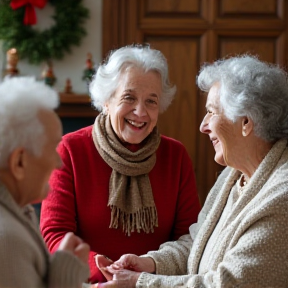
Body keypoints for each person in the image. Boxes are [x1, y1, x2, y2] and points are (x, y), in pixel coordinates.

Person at [101, 55, 288, 287]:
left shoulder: (281, 198)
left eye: (211, 112)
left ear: (246, 122)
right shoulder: (233, 175)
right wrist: (150, 263)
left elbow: (229, 283)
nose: (203, 126)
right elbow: (196, 242)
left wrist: (141, 283)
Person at [40, 44, 201, 284]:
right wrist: (103, 269)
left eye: (151, 101)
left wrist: (142, 276)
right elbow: (54, 235)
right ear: (106, 100)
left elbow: (190, 238)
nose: (140, 111)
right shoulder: (70, 150)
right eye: (129, 97)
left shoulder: (175, 156)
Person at [0, 77, 90, 288]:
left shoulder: (19, 211)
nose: (58, 163)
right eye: (52, 149)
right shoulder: (8, 242)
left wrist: (60, 267)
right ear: (19, 162)